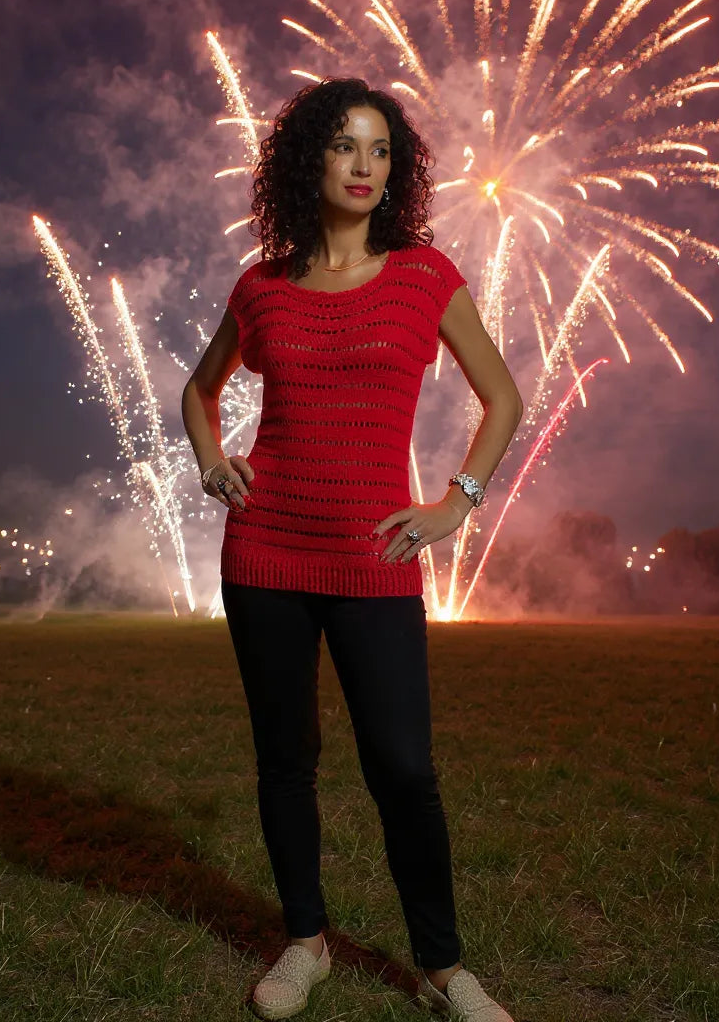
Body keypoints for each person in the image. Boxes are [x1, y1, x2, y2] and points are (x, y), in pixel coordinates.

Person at [181, 78, 523, 1022]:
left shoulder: (425, 275)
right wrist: (214, 460)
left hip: (374, 555)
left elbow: (505, 398)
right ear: (308, 163)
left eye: (379, 149)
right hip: (264, 551)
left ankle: (443, 967)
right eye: (343, 146)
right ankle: (305, 942)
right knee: (285, 759)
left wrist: (457, 502)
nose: (364, 165)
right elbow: (197, 391)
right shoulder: (262, 286)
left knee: (404, 769)